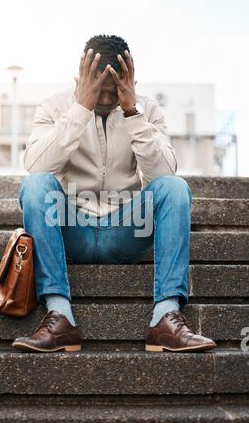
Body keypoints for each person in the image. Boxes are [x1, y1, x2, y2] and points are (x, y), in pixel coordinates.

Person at [12, 34, 216, 353]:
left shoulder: (146, 110)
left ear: (128, 80)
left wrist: (133, 113)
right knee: (36, 186)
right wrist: (80, 108)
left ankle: (166, 318)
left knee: (176, 188)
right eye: (99, 91)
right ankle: (59, 315)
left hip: (127, 230)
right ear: (80, 79)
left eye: (113, 91)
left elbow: (162, 177)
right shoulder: (54, 106)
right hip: (71, 228)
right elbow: (36, 165)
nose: (105, 100)